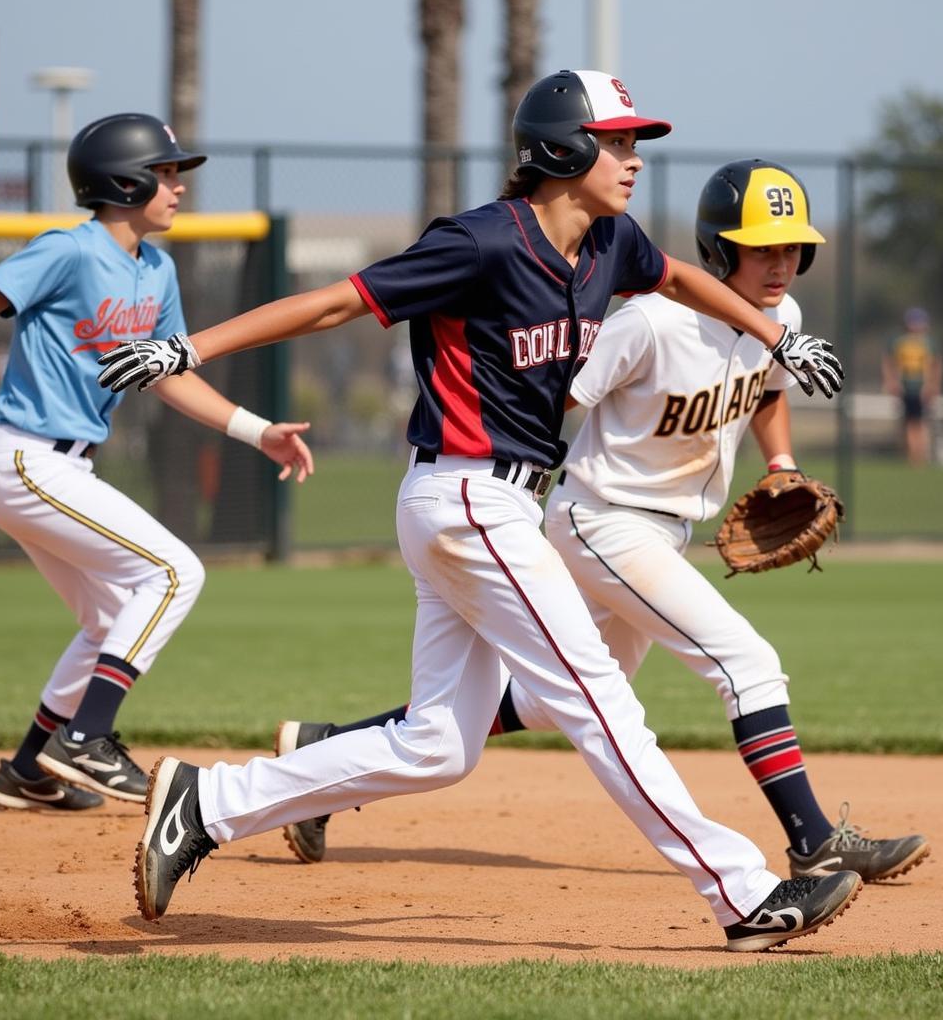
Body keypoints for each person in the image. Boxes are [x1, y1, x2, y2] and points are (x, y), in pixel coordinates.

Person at [98, 71, 855, 953]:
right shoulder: (481, 243)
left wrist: (778, 337)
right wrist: (191, 346)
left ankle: (209, 801)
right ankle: (743, 892)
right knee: (599, 701)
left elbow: (682, 276)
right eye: (615, 142)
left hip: (495, 505)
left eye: (634, 143)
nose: (633, 160)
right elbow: (339, 300)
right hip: (466, 494)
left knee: (439, 745)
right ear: (563, 149)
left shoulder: (611, 242)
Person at [287, 160, 928, 882]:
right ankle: (814, 840)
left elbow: (769, 390)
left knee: (549, 697)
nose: (780, 263)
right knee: (744, 662)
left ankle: (325, 751)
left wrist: (779, 466)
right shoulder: (652, 322)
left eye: (791, 248)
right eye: (762, 247)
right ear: (720, 247)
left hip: (665, 533)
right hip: (602, 520)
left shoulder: (783, 323)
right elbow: (553, 396)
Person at [0, 113, 313, 813]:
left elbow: (168, 373)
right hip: (28, 458)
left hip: (64, 470)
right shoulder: (67, 251)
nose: (178, 187)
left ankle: (29, 768)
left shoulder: (156, 269)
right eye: (164, 173)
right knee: (173, 572)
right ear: (122, 179)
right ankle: (86, 738)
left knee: (110, 620)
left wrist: (259, 432)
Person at [881, 307, 942, 466]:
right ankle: (913, 457)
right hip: (906, 388)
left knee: (921, 422)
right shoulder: (899, 341)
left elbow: (936, 365)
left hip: (923, 389)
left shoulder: (929, 343)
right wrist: (891, 382)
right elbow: (889, 362)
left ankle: (920, 457)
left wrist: (933, 385)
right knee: (909, 422)